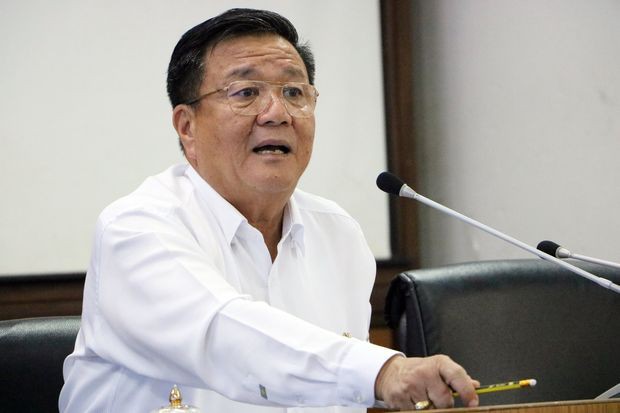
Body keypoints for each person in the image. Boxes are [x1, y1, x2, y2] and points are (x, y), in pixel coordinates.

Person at [59, 8, 479, 413]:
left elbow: (343, 395)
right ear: (187, 127)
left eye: (294, 93)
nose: (277, 113)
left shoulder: (339, 234)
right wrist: (382, 371)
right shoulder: (137, 229)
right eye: (246, 93)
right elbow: (226, 336)